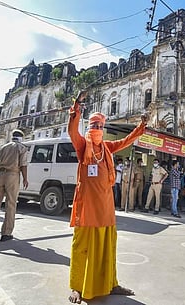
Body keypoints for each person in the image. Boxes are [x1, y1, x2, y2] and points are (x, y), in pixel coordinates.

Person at [67, 91, 149, 303]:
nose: (98, 130)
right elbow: (72, 131)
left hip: (105, 206)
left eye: (101, 126)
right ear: (89, 128)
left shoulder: (107, 148)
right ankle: (77, 287)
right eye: (95, 126)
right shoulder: (83, 146)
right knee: (82, 247)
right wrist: (76, 108)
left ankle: (111, 283)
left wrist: (140, 128)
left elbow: (127, 140)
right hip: (87, 208)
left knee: (107, 247)